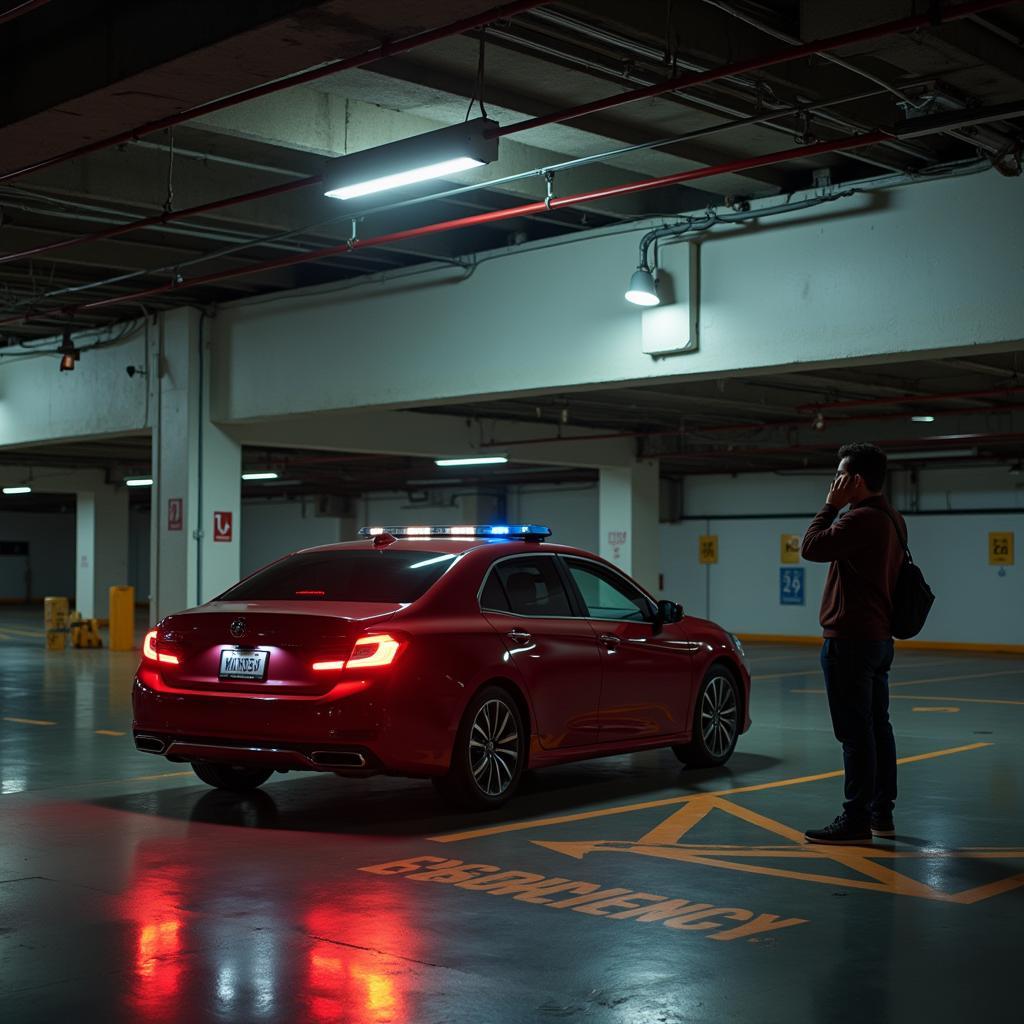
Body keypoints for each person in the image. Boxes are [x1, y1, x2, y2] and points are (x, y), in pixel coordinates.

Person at [800, 442, 906, 845]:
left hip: (850, 642)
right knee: (878, 727)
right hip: (879, 639)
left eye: (840, 475)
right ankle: (881, 813)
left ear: (856, 480)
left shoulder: (860, 519)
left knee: (854, 733)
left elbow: (811, 547)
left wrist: (830, 506)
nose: (835, 483)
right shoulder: (892, 518)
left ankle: (855, 818)